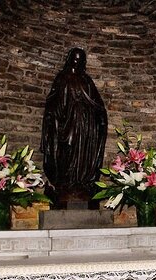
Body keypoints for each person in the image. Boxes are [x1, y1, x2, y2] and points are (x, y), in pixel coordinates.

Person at [40, 47, 108, 209]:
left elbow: (96, 102)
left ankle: (82, 182)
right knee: (66, 151)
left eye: (81, 60)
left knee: (84, 153)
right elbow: (53, 102)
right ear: (70, 59)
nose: (77, 62)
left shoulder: (86, 80)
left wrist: (100, 117)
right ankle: (66, 183)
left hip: (85, 124)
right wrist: (54, 118)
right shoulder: (62, 78)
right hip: (66, 123)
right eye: (75, 59)